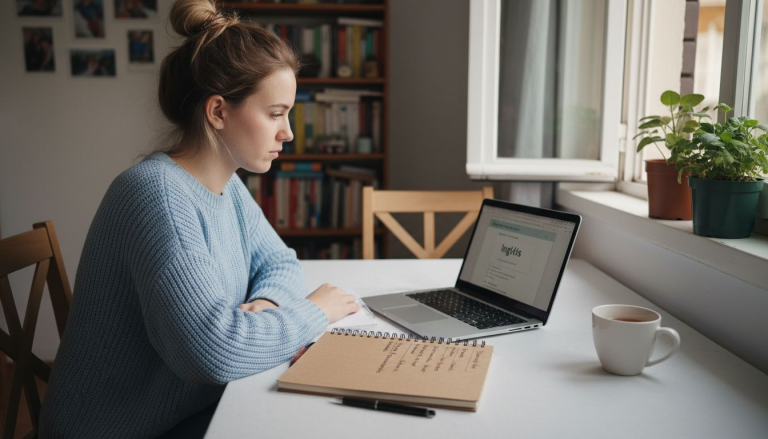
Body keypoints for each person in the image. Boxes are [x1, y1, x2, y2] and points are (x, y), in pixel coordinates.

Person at [39, 0, 359, 437]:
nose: (288, 132)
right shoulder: (156, 196)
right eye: (275, 113)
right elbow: (214, 351)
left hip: (187, 411)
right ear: (218, 112)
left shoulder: (226, 188)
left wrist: (265, 307)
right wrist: (314, 311)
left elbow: (280, 263)